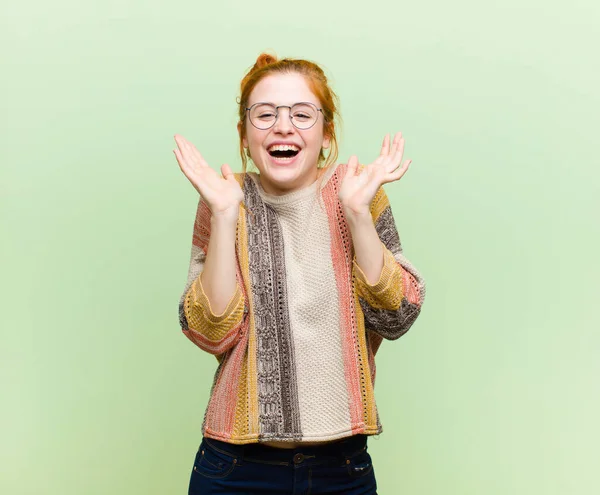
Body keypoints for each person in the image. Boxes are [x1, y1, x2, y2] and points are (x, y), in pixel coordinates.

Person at [174, 52, 426, 495]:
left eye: (302, 114)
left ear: (326, 134)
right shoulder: (223, 198)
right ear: (244, 134)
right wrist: (225, 214)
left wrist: (357, 213)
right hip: (234, 468)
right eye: (265, 114)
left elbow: (397, 317)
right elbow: (212, 331)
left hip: (341, 468)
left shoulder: (360, 191)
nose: (283, 127)